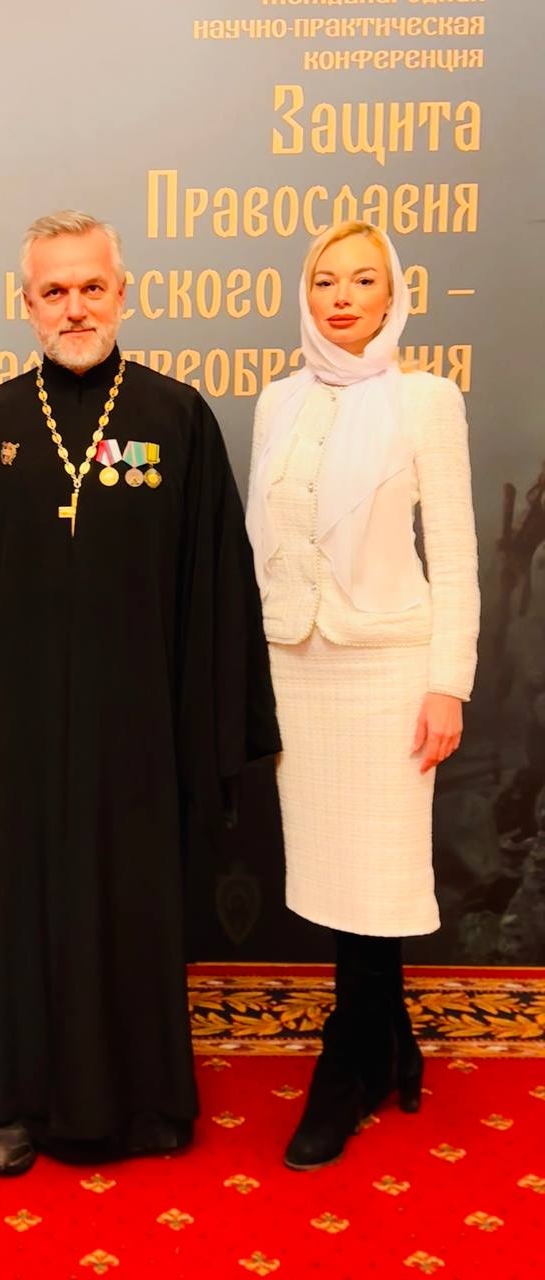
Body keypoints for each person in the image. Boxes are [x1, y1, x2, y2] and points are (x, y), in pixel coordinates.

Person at [0, 210, 279, 1175]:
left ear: (124, 292)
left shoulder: (177, 417)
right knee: (23, 916)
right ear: (25, 303)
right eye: (54, 291)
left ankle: (148, 1101)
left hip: (141, 733)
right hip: (22, 740)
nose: (74, 308)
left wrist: (208, 734)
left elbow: (216, 589)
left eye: (91, 287)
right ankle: (13, 1103)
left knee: (136, 907)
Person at [245, 221, 480, 1170]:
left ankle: (350, 1059)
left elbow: (455, 553)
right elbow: (266, 543)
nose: (342, 297)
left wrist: (447, 684)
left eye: (363, 281)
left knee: (378, 874)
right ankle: (392, 1041)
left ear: (393, 298)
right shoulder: (278, 401)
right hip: (298, 666)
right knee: (331, 873)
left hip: (389, 669)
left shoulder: (428, 400)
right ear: (307, 297)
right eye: (325, 281)